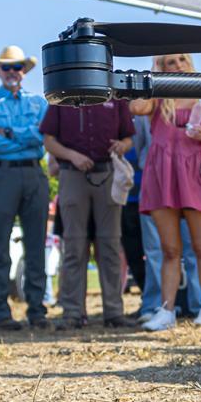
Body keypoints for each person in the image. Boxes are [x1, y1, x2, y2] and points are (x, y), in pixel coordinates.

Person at [131, 53, 201, 331]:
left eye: (181, 60)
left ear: (190, 62)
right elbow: (135, 107)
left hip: (198, 176)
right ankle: (166, 310)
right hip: (163, 176)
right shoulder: (158, 98)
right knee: (169, 250)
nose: (177, 65)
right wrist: (152, 73)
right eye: (169, 62)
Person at [40, 95, 134, 328]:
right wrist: (72, 155)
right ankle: (72, 312)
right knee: (74, 245)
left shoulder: (115, 97)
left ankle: (114, 312)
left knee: (110, 245)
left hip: (108, 172)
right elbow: (49, 141)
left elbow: (128, 138)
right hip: (72, 174)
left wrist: (123, 146)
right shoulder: (61, 96)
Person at [0, 45, 49, 331]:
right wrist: (27, 137)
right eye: (6, 67)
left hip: (34, 175)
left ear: (24, 71)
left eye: (17, 66)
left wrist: (10, 133)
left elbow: (43, 136)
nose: (12, 72)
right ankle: (0, 312)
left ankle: (37, 310)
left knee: (35, 247)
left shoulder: (40, 103)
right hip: (1, 176)